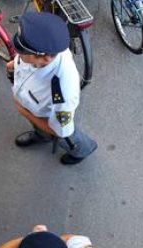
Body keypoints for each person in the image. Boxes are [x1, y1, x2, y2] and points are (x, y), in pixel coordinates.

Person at [7, 12, 97, 165]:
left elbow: (60, 130)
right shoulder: (42, 49)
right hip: (35, 107)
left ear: (45, 58)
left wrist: (25, 112)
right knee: (41, 128)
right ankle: (42, 136)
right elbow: (27, 55)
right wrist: (13, 65)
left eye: (21, 53)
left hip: (49, 117)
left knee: (70, 138)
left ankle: (81, 151)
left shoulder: (63, 91)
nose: (17, 53)